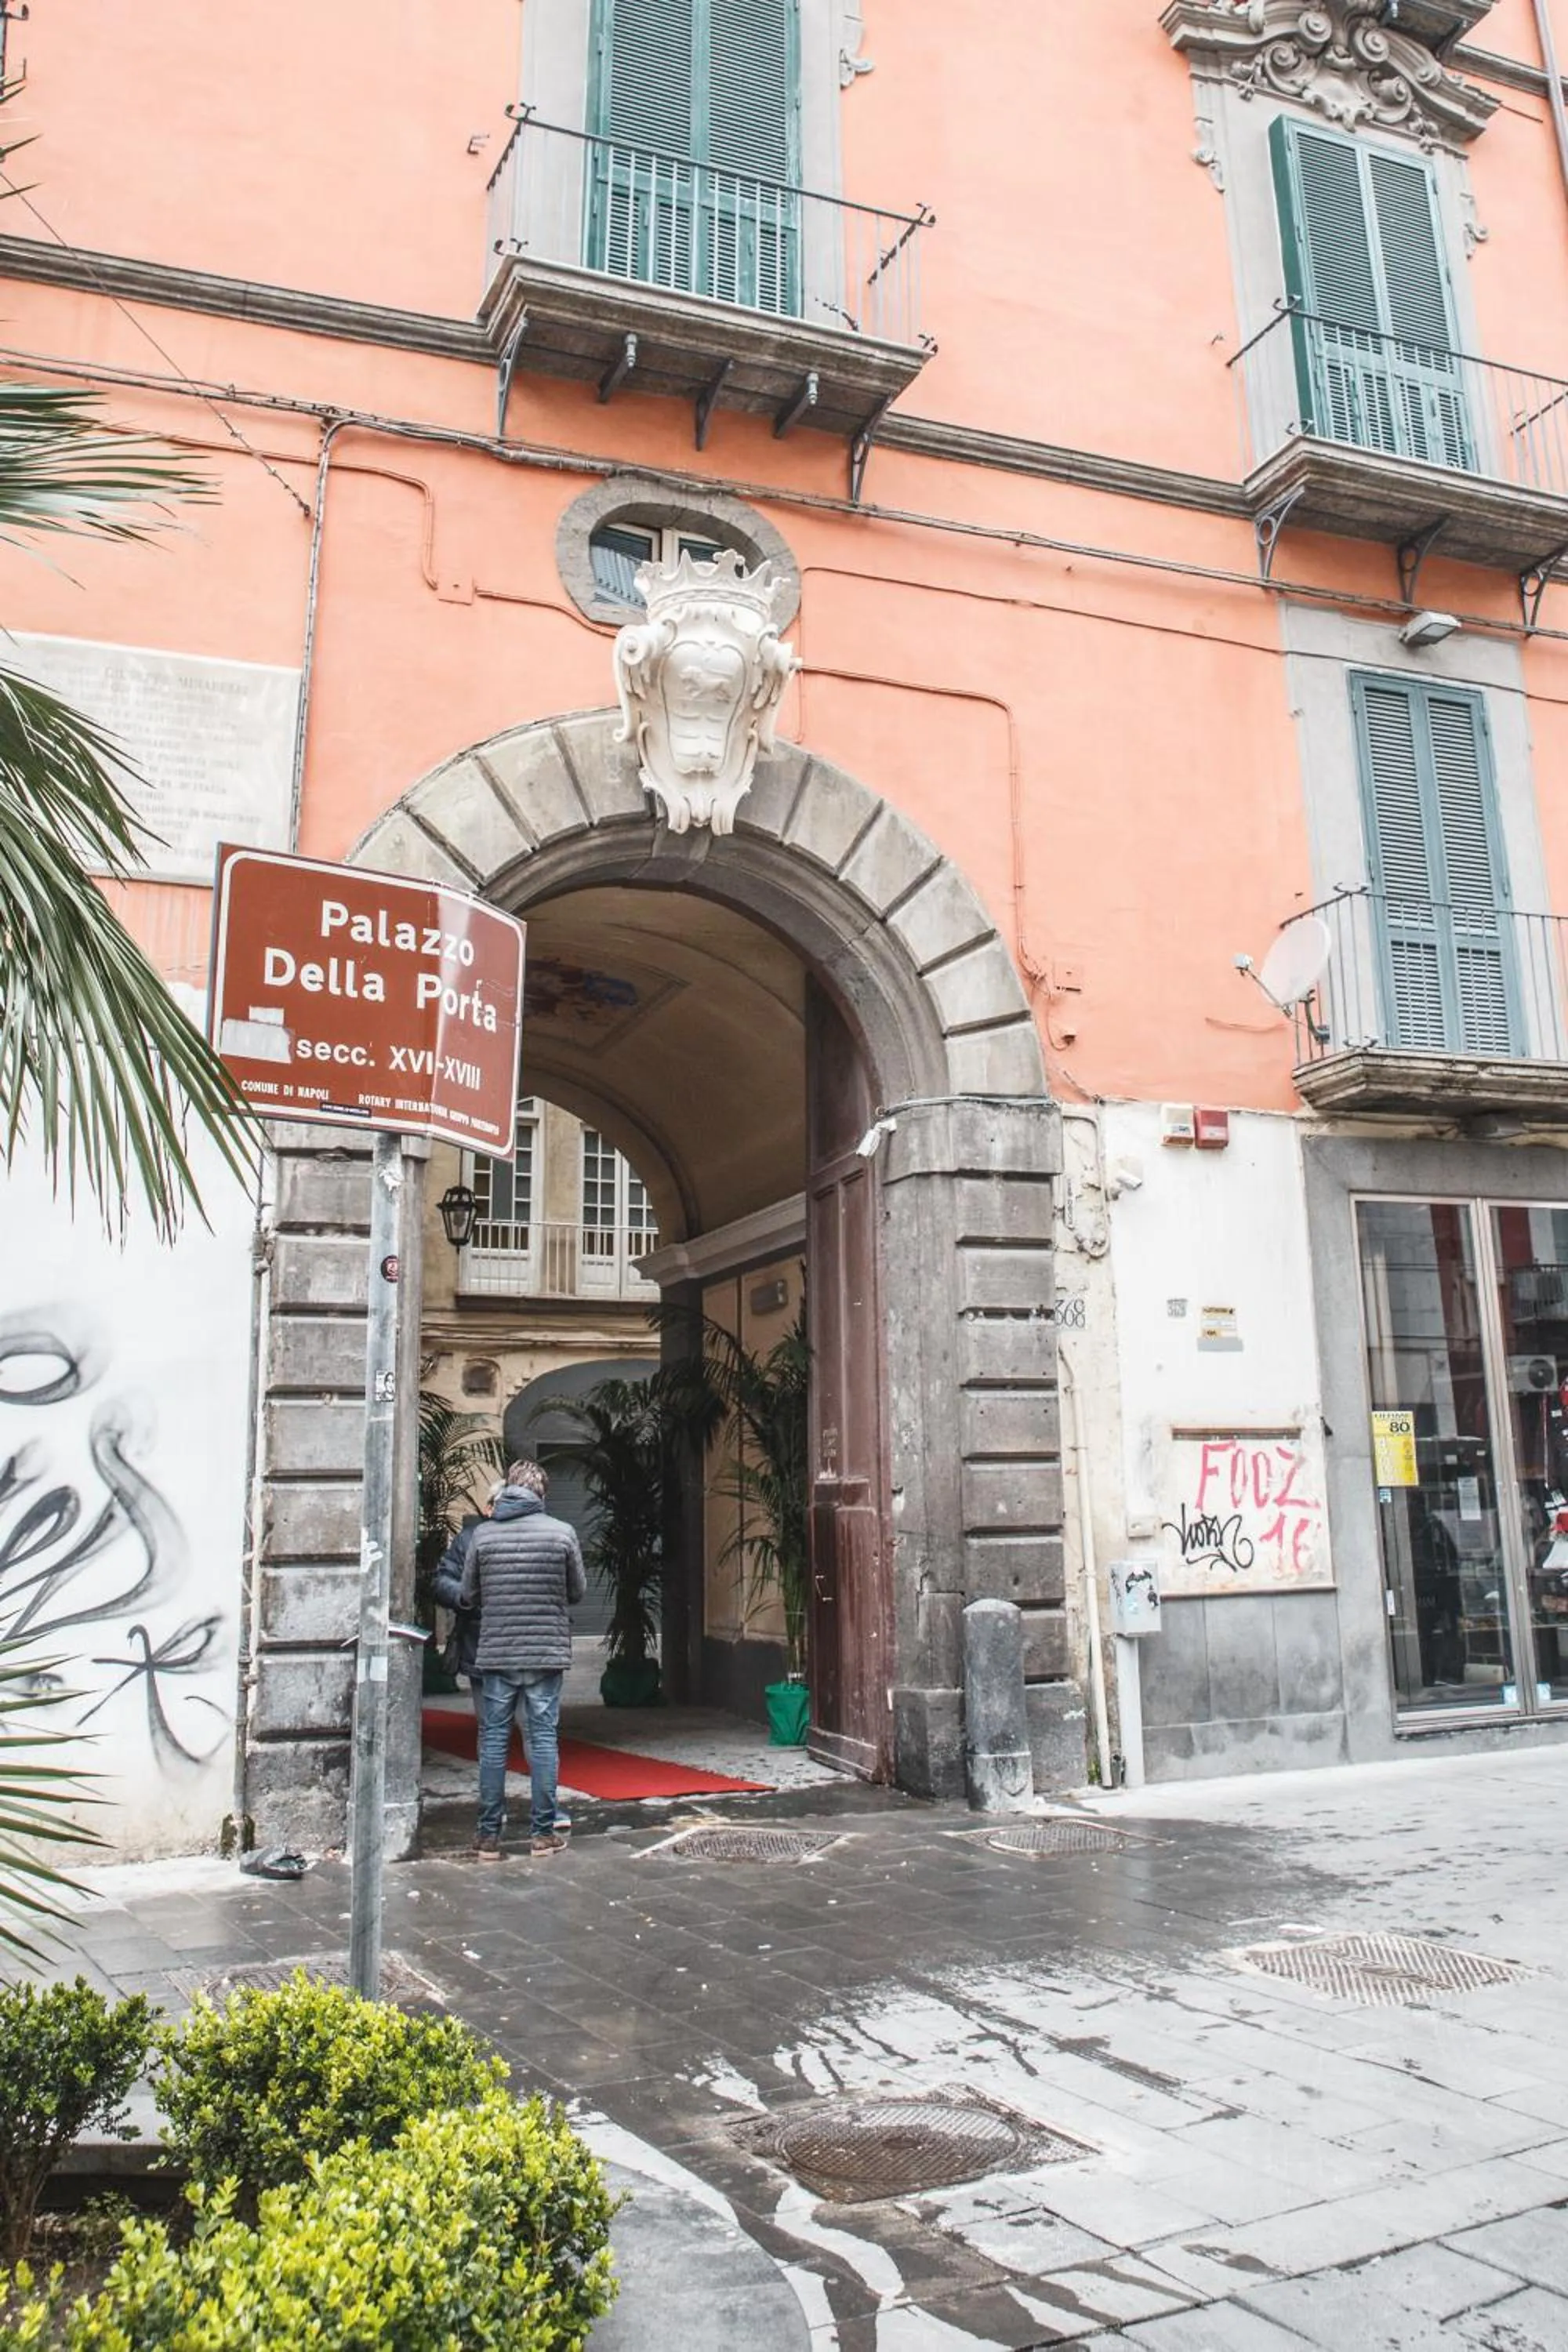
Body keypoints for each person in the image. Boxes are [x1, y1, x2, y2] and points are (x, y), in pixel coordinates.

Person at [459, 1458, 586, 1861]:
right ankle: (542, 1834)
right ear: (542, 1494)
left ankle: (487, 1838)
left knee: (493, 1741)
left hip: (497, 1653)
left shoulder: (483, 1536)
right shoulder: (562, 1534)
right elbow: (577, 1591)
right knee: (543, 1737)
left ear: (508, 1488)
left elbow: (468, 1594)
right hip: (546, 1653)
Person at [431, 1480, 503, 1697]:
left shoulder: (543, 1536)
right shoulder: (468, 1539)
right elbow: (442, 1581)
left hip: (528, 1650)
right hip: (481, 1641)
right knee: (492, 1724)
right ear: (488, 1508)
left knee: (526, 1724)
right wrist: (464, 1596)